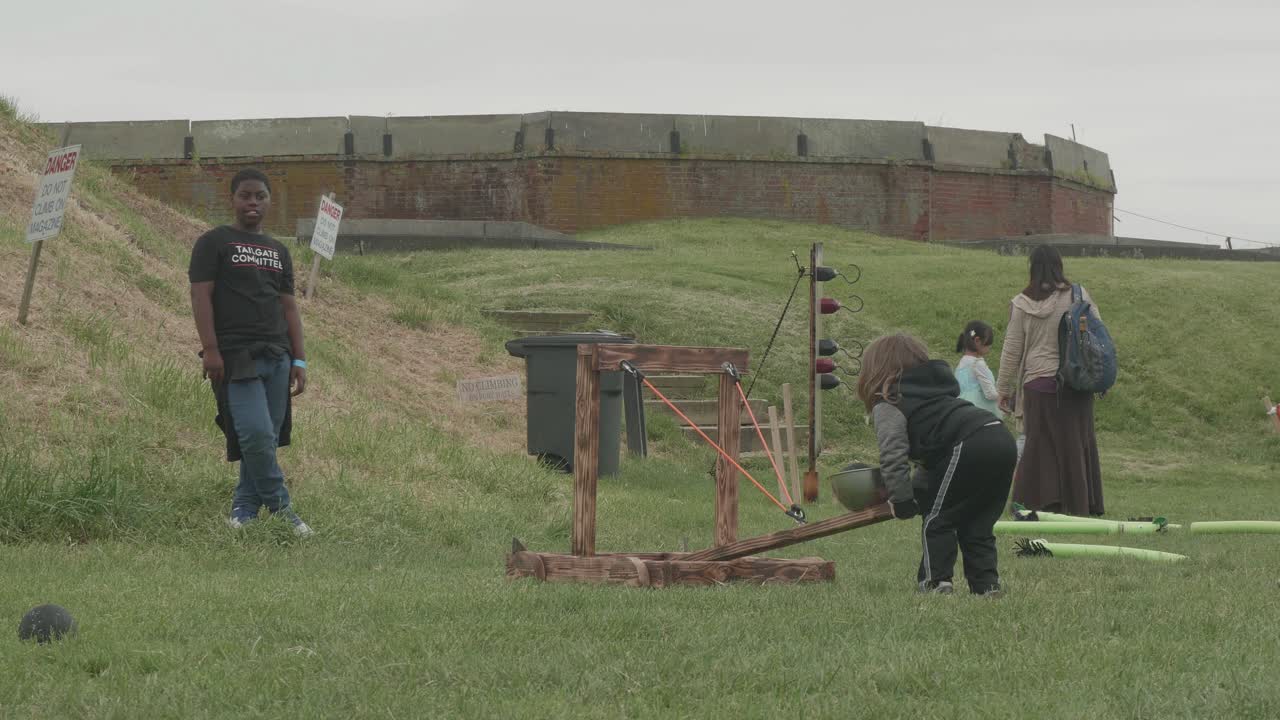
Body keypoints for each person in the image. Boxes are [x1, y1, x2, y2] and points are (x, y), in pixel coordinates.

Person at [188, 168, 312, 536]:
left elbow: (289, 307)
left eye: (260, 196)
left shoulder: (279, 251)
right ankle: (282, 510)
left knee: (266, 441)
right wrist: (211, 349)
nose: (253, 202)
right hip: (235, 355)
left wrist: (299, 358)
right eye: (245, 195)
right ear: (233, 199)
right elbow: (200, 296)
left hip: (277, 355)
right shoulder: (214, 242)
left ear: (269, 201)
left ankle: (243, 510)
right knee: (255, 434)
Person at [857, 334, 1017, 596]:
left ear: (874, 371)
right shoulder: (936, 395)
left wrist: (901, 500)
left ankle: (936, 583)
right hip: (1000, 437)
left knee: (939, 518)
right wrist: (916, 492)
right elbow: (933, 462)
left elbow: (893, 455)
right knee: (978, 523)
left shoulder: (890, 402)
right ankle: (987, 587)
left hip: (970, 441)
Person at [996, 245, 1103, 516]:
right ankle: (1080, 504)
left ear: (1032, 268)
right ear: (1059, 265)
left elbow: (1011, 350)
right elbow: (1098, 335)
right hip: (1076, 383)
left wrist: (1003, 389)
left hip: (1038, 384)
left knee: (1038, 447)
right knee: (1075, 444)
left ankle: (1036, 503)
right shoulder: (1079, 296)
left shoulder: (1021, 303)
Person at [954, 320, 1000, 416]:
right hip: (979, 412)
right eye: (988, 344)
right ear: (977, 341)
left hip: (961, 409)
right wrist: (1002, 395)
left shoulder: (962, 362)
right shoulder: (978, 364)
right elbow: (990, 394)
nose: (989, 348)